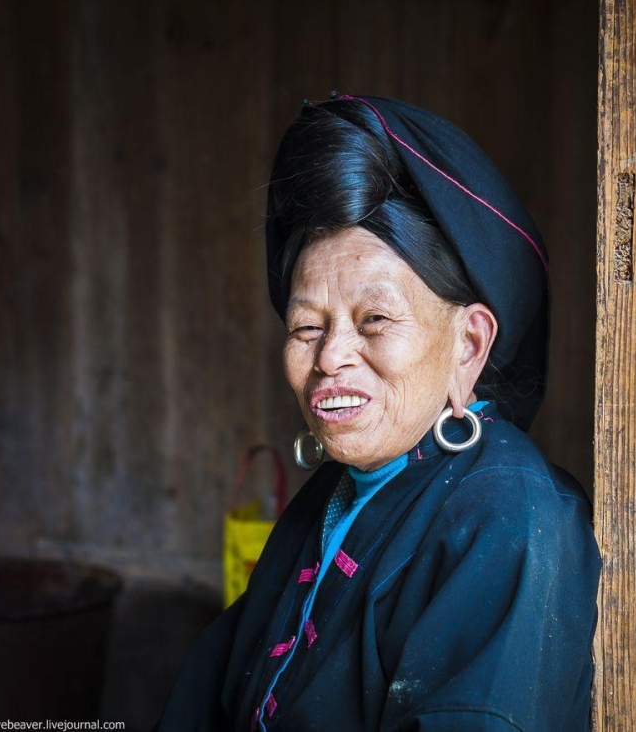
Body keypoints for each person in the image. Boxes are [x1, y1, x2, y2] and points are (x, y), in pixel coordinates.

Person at [155, 94, 600, 731]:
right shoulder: (331, 498)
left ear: (467, 347)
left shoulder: (511, 519)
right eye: (307, 326)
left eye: (375, 321)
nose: (331, 355)